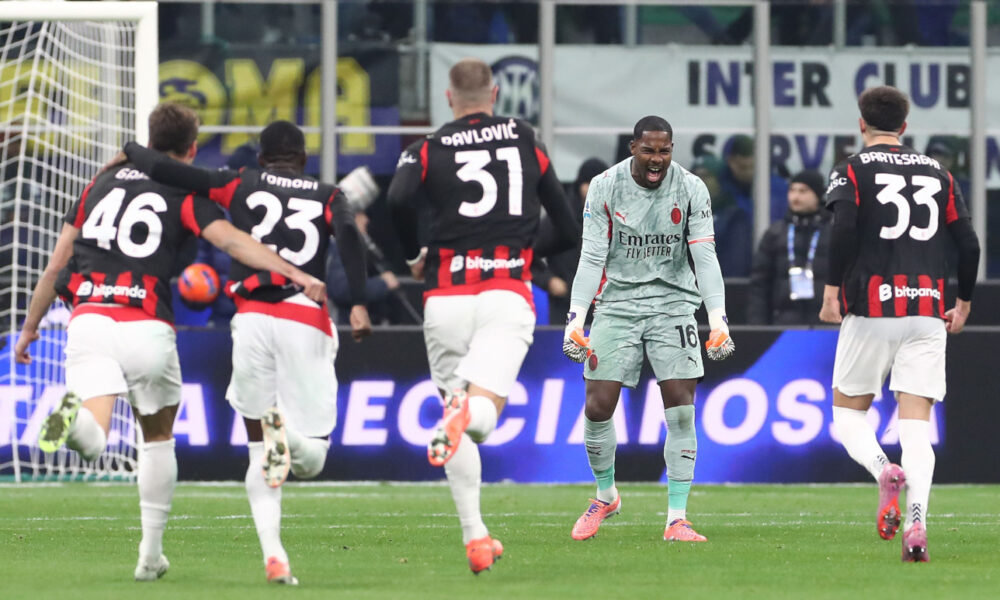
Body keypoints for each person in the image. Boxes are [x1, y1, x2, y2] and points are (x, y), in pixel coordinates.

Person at [13, 103, 326, 582]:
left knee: (97, 440)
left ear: (149, 137)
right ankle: (149, 555)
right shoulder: (183, 190)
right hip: (146, 322)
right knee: (156, 439)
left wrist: (31, 327)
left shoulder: (97, 186)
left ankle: (75, 423)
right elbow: (233, 243)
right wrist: (293, 272)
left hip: (89, 316)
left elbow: (57, 266)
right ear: (192, 148)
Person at [123, 120, 372, 584]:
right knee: (311, 458)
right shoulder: (328, 194)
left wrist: (130, 149)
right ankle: (289, 441)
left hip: (252, 319)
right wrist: (358, 301)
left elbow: (172, 171)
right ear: (302, 158)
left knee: (259, 449)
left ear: (261, 158)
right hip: (303, 317)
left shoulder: (238, 180)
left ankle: (275, 555)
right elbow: (351, 236)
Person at [386, 57, 579, 574]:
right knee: (481, 417)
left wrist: (414, 256)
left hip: (445, 295)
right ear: (495, 94)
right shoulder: (525, 139)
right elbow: (566, 226)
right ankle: (462, 415)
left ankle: (475, 536)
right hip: (504, 290)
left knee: (458, 406)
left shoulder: (426, 148)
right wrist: (522, 248)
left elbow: (399, 197)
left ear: (449, 98)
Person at [819, 86, 980, 562]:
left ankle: (882, 469)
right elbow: (968, 244)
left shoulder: (850, 168)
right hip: (928, 310)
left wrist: (831, 290)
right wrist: (964, 301)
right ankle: (917, 526)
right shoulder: (940, 172)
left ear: (861, 124)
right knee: (917, 430)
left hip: (872, 308)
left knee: (848, 417)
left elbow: (844, 227)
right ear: (905, 126)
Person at [562, 116, 735, 544]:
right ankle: (606, 496)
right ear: (632, 148)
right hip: (617, 304)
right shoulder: (605, 186)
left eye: (665, 151)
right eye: (649, 150)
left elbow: (705, 257)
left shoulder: (692, 188)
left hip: (674, 303)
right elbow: (590, 257)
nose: (657, 160)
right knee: (598, 405)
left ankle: (677, 518)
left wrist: (718, 318)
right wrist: (576, 317)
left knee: (680, 405)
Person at [748, 170, 831, 325]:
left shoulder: (833, 232)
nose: (796, 197)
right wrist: (757, 326)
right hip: (784, 324)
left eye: (803, 191)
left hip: (826, 324)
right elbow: (759, 285)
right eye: (792, 190)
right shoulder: (775, 234)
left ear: (818, 194)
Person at [532, 157, 608, 325]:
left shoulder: (617, 218)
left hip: (604, 306)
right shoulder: (561, 217)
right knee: (565, 349)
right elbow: (529, 253)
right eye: (589, 183)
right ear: (580, 184)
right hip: (565, 304)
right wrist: (549, 280)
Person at [716, 134, 789, 277]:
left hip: (771, 269)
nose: (749, 172)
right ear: (731, 161)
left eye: (752, 166)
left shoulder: (777, 190)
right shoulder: (720, 192)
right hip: (730, 272)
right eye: (743, 167)